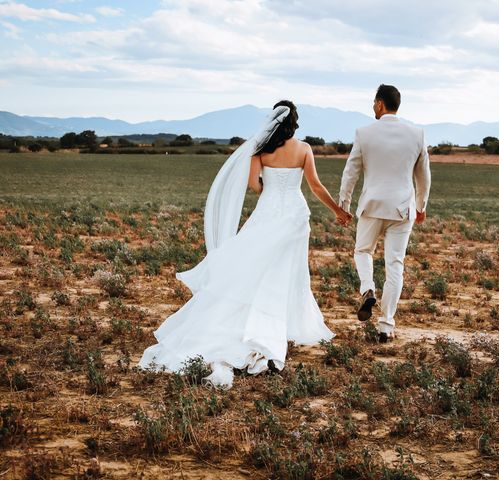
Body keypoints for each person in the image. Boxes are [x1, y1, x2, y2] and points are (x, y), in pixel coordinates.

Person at [138, 100, 351, 388]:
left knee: (255, 270)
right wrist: (338, 210)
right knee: (286, 273)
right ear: (294, 122)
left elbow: (254, 185)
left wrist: (270, 193)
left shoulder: (259, 150)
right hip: (295, 217)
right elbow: (314, 185)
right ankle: (271, 332)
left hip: (268, 213)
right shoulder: (304, 149)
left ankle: (258, 328)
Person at [339, 84, 431, 342]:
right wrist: (421, 206)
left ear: (380, 104)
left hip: (372, 205)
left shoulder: (364, 133)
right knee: (395, 266)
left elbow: (351, 172)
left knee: (363, 251)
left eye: (373, 103)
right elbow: (424, 178)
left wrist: (344, 206)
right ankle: (385, 327)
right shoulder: (417, 134)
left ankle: (367, 288)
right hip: (403, 209)